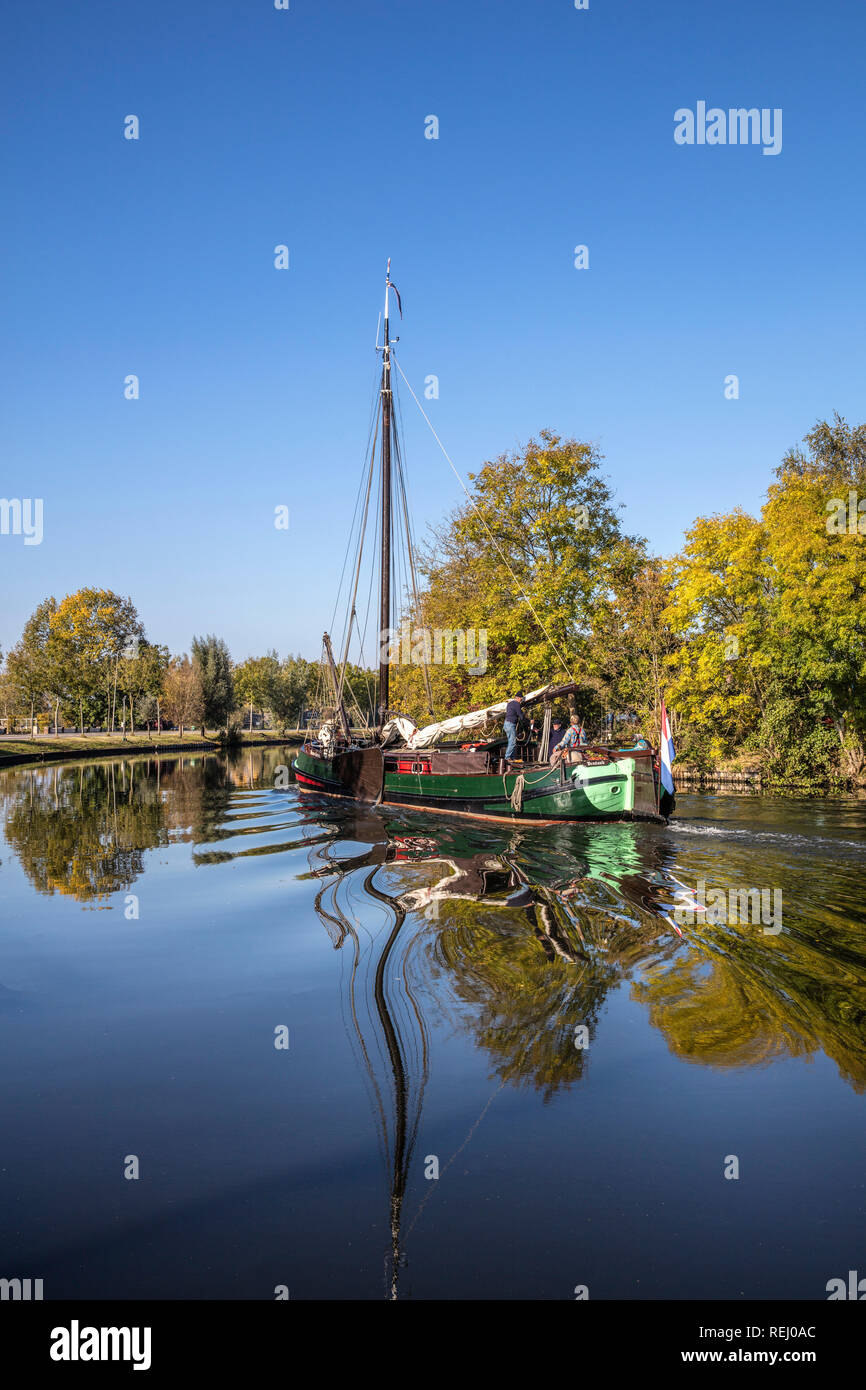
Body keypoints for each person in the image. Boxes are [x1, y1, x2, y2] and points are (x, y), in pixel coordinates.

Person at [503, 692, 524, 761]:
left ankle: (511, 757)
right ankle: (507, 758)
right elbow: (520, 715)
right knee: (513, 742)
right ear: (518, 698)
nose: (521, 700)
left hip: (506, 724)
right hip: (511, 724)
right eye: (521, 699)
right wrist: (529, 721)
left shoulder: (509, 703)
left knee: (510, 741)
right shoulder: (517, 704)